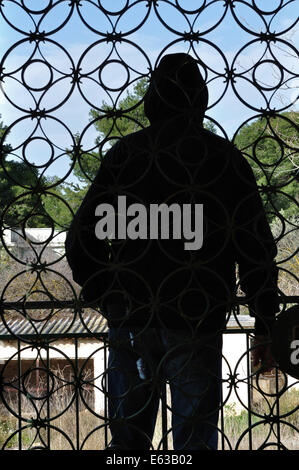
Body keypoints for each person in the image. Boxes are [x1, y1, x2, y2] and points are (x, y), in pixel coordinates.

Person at [65, 53, 279, 450]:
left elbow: (81, 239)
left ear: (152, 101)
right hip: (195, 314)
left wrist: (107, 293)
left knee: (128, 444)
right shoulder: (223, 159)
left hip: (132, 316)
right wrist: (265, 321)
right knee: (195, 442)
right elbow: (254, 249)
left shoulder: (125, 156)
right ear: (201, 99)